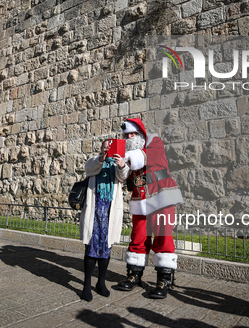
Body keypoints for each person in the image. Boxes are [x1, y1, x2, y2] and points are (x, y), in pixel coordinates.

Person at [114, 118, 184, 299]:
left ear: (139, 133)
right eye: (126, 134)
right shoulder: (127, 153)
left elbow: (147, 157)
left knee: (163, 237)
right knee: (138, 238)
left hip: (161, 197)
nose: (129, 137)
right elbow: (124, 177)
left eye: (132, 133)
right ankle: (134, 276)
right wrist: (121, 165)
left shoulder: (153, 141)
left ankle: (164, 280)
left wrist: (126, 158)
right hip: (140, 199)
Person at [79, 139, 125, 301]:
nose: (107, 149)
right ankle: (86, 285)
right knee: (91, 249)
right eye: (105, 146)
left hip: (109, 213)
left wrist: (122, 165)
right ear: (101, 148)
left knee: (106, 250)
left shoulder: (118, 164)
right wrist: (101, 159)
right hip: (94, 212)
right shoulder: (95, 161)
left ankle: (101, 282)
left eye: (110, 147)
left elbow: (124, 176)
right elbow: (89, 167)